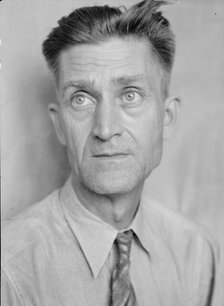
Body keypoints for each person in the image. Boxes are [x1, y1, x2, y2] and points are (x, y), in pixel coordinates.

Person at [2, 1, 219, 305]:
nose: (105, 129)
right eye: (81, 99)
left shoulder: (198, 254)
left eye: (130, 95)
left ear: (166, 118)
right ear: (60, 125)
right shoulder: (8, 269)